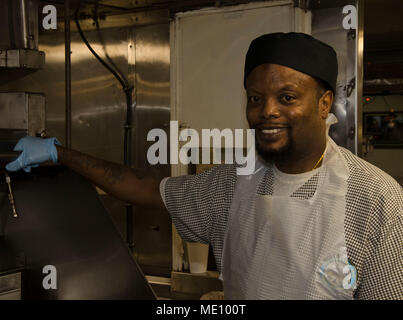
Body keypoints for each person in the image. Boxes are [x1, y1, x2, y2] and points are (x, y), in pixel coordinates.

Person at [6, 32, 402, 300]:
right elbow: (145, 188)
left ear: (324, 103)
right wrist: (60, 153)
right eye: (254, 97)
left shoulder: (376, 200)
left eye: (287, 97)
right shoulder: (236, 184)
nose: (266, 112)